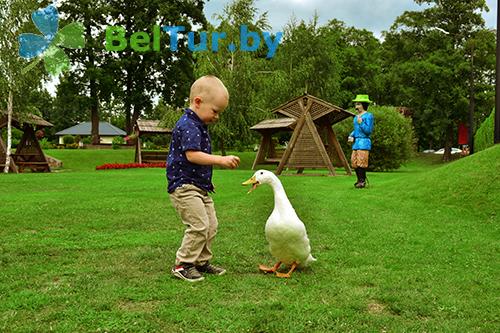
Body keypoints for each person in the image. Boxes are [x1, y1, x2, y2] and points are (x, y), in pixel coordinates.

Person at [167, 75, 240, 282]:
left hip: (199, 187)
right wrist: (220, 160)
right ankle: (182, 264)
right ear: (198, 102)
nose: (217, 117)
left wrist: (206, 181)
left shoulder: (198, 125)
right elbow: (192, 155)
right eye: (215, 111)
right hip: (184, 186)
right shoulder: (188, 125)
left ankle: (200, 261)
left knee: (211, 225)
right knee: (199, 225)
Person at [348, 94, 374, 188]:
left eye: (358, 104)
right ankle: (358, 180)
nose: (356, 106)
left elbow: (368, 131)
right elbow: (356, 130)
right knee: (354, 162)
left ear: (363, 105)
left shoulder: (369, 116)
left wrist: (361, 122)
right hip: (356, 143)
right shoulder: (356, 117)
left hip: (364, 142)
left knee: (361, 162)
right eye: (356, 104)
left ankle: (362, 181)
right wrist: (351, 135)